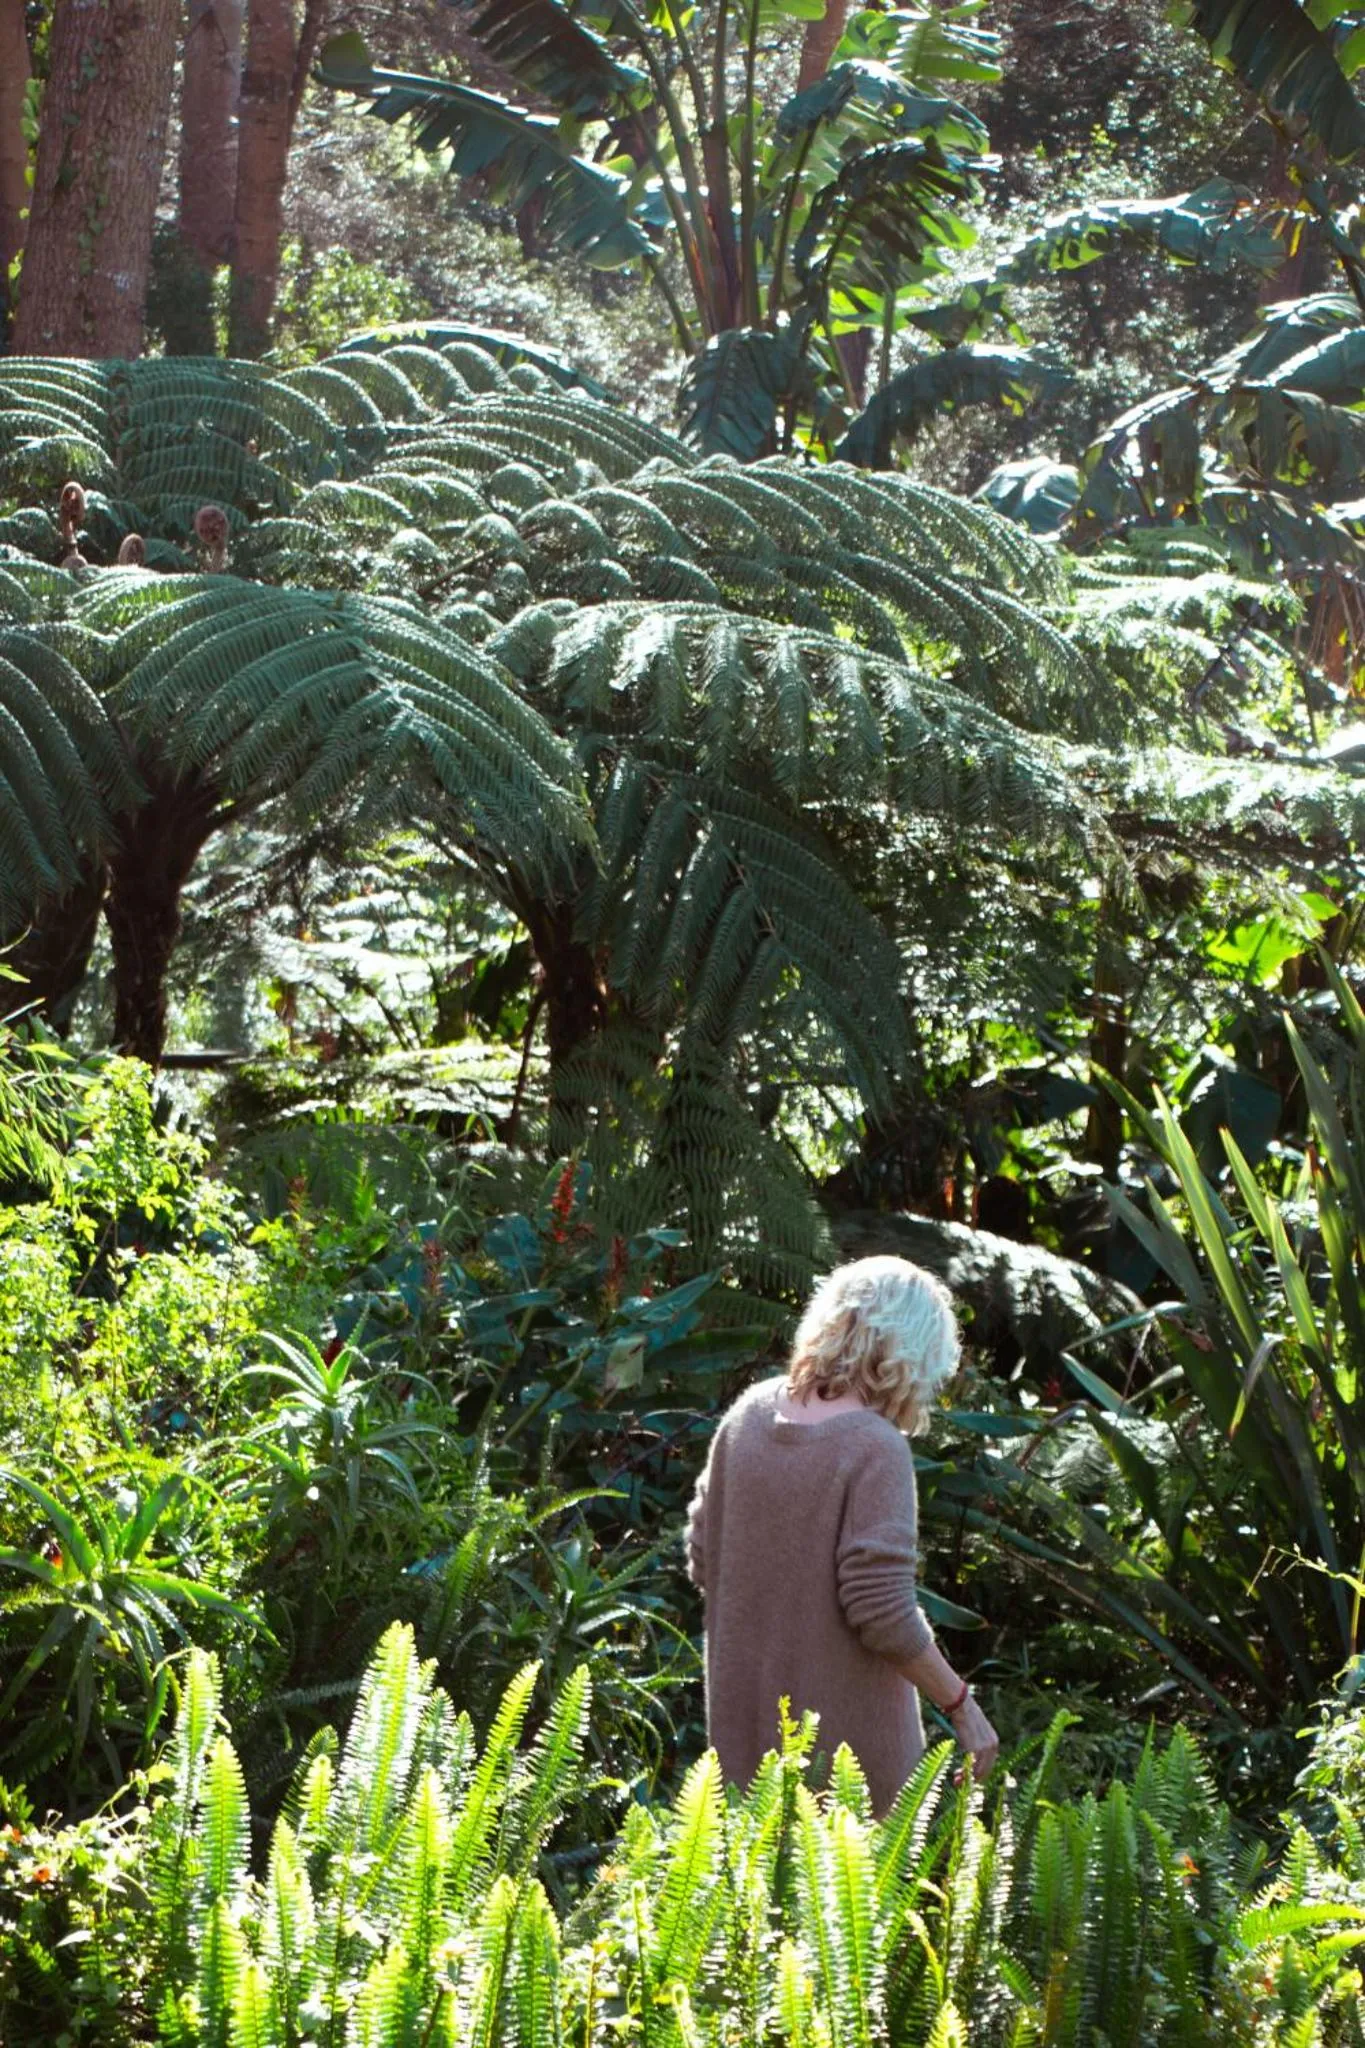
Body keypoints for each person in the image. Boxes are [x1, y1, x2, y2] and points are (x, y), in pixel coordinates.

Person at [685, 1255, 999, 1817]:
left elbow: (702, 1556)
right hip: (849, 1762)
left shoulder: (746, 1419)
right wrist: (960, 1704)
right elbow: (881, 1610)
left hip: (742, 1738)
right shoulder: (874, 1447)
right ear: (913, 1357)